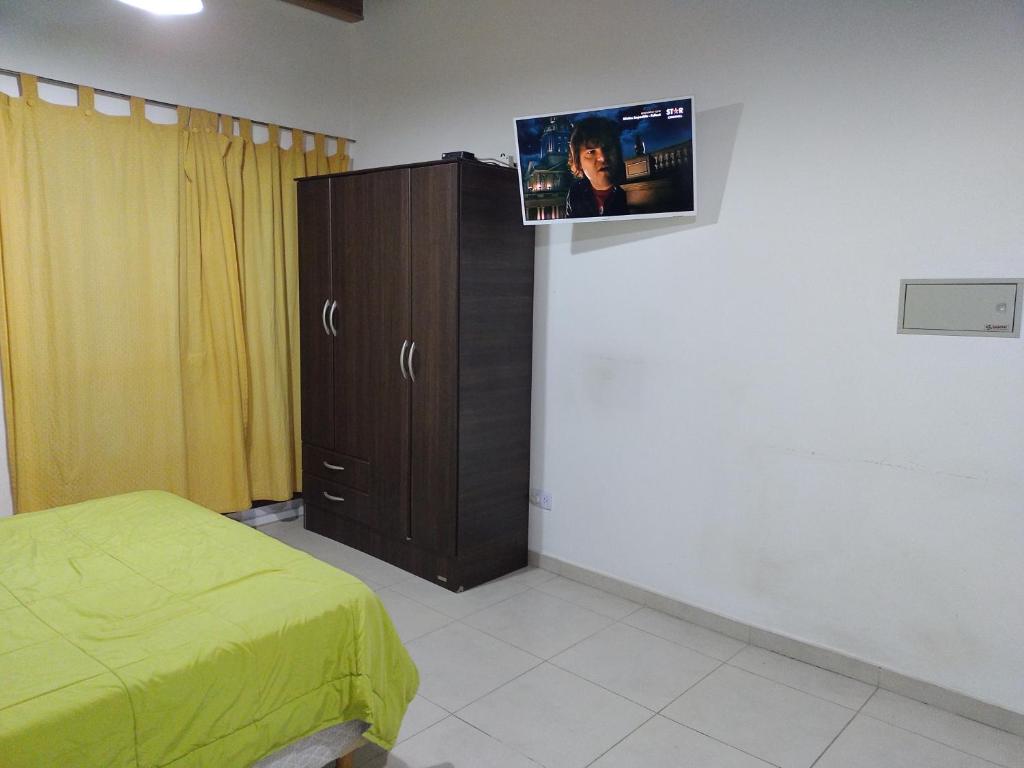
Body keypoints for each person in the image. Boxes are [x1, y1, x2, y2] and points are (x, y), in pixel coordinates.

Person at [565, 117, 629, 218]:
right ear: (578, 163)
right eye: (591, 152)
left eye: (607, 148)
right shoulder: (576, 192)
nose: (602, 158)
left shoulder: (633, 188)